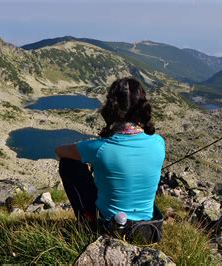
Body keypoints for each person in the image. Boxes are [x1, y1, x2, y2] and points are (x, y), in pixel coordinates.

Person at [55, 77, 166, 243]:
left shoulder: (100, 148)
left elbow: (60, 151)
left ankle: (87, 221)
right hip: (149, 232)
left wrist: (87, 151)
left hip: (111, 228)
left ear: (112, 107)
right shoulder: (159, 143)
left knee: (68, 163)